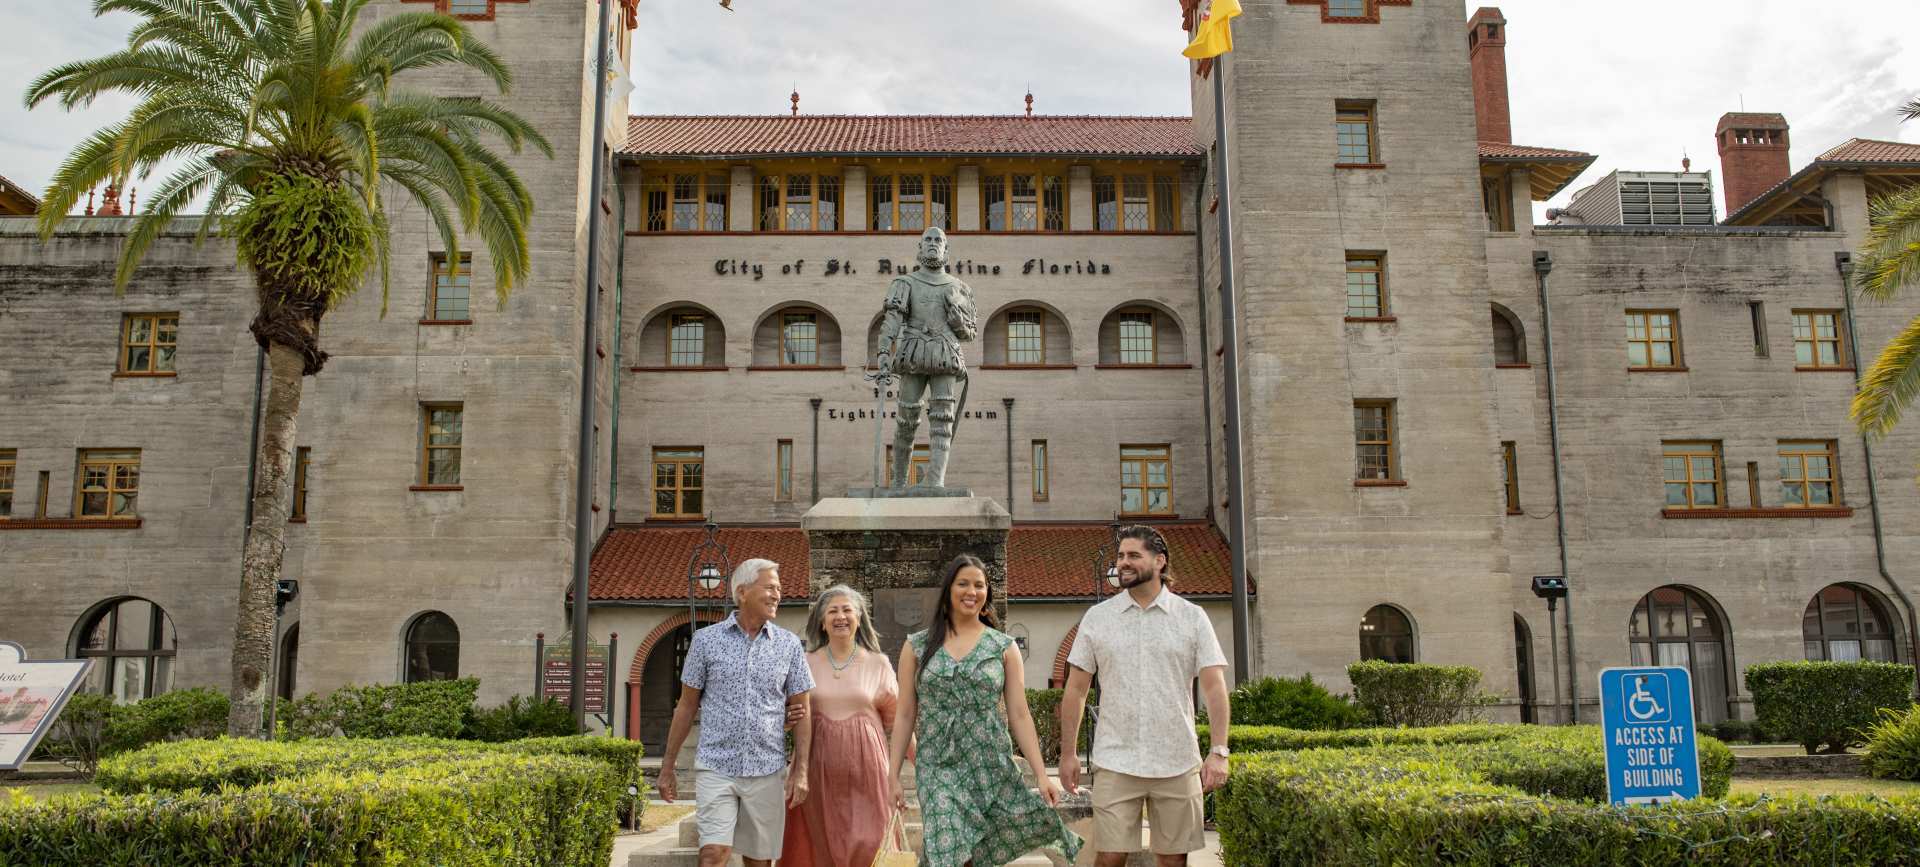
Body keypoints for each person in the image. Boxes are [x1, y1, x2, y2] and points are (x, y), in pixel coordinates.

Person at [887, 555, 1082, 867]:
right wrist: (892, 775)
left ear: (987, 593)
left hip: (989, 764)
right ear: (949, 590)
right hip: (938, 764)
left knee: (975, 855)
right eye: (963, 583)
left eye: (979, 585)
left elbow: (1019, 714)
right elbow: (906, 714)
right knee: (946, 842)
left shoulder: (1003, 647)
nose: (971, 591)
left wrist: (1043, 775)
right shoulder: (918, 646)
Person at [1058, 526, 1232, 867]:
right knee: (1108, 857)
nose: (1123, 562)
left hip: (1176, 760)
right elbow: (1076, 690)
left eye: (1134, 555)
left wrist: (1219, 751)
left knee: (1172, 860)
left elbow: (1214, 686)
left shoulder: (1192, 617)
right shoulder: (1098, 618)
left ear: (1160, 561)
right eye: (1121, 556)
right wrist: (1068, 753)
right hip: (1116, 760)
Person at [657, 559, 815, 867]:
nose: (777, 595)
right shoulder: (705, 641)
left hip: (768, 768)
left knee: (759, 861)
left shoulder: (789, 645)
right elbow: (686, 705)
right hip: (717, 766)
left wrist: (802, 770)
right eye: (769, 587)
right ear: (742, 592)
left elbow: (803, 709)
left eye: (779, 589)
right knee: (713, 853)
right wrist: (668, 766)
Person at [779, 585, 904, 867]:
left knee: (871, 844)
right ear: (821, 621)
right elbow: (789, 715)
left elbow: (899, 724)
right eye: (832, 611)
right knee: (819, 848)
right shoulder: (805, 662)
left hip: (869, 771)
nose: (841, 616)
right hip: (816, 770)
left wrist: (918, 767)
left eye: (847, 610)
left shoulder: (878, 663)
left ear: (859, 618)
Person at [874, 226, 978, 490]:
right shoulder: (905, 283)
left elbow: (970, 333)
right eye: (928, 240)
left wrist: (958, 324)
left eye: (938, 240)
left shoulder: (960, 288)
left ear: (946, 248)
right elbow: (892, 321)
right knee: (906, 419)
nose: (933, 243)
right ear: (920, 248)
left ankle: (935, 481)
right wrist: (884, 351)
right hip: (913, 352)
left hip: (946, 353)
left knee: (943, 419)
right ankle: (898, 481)